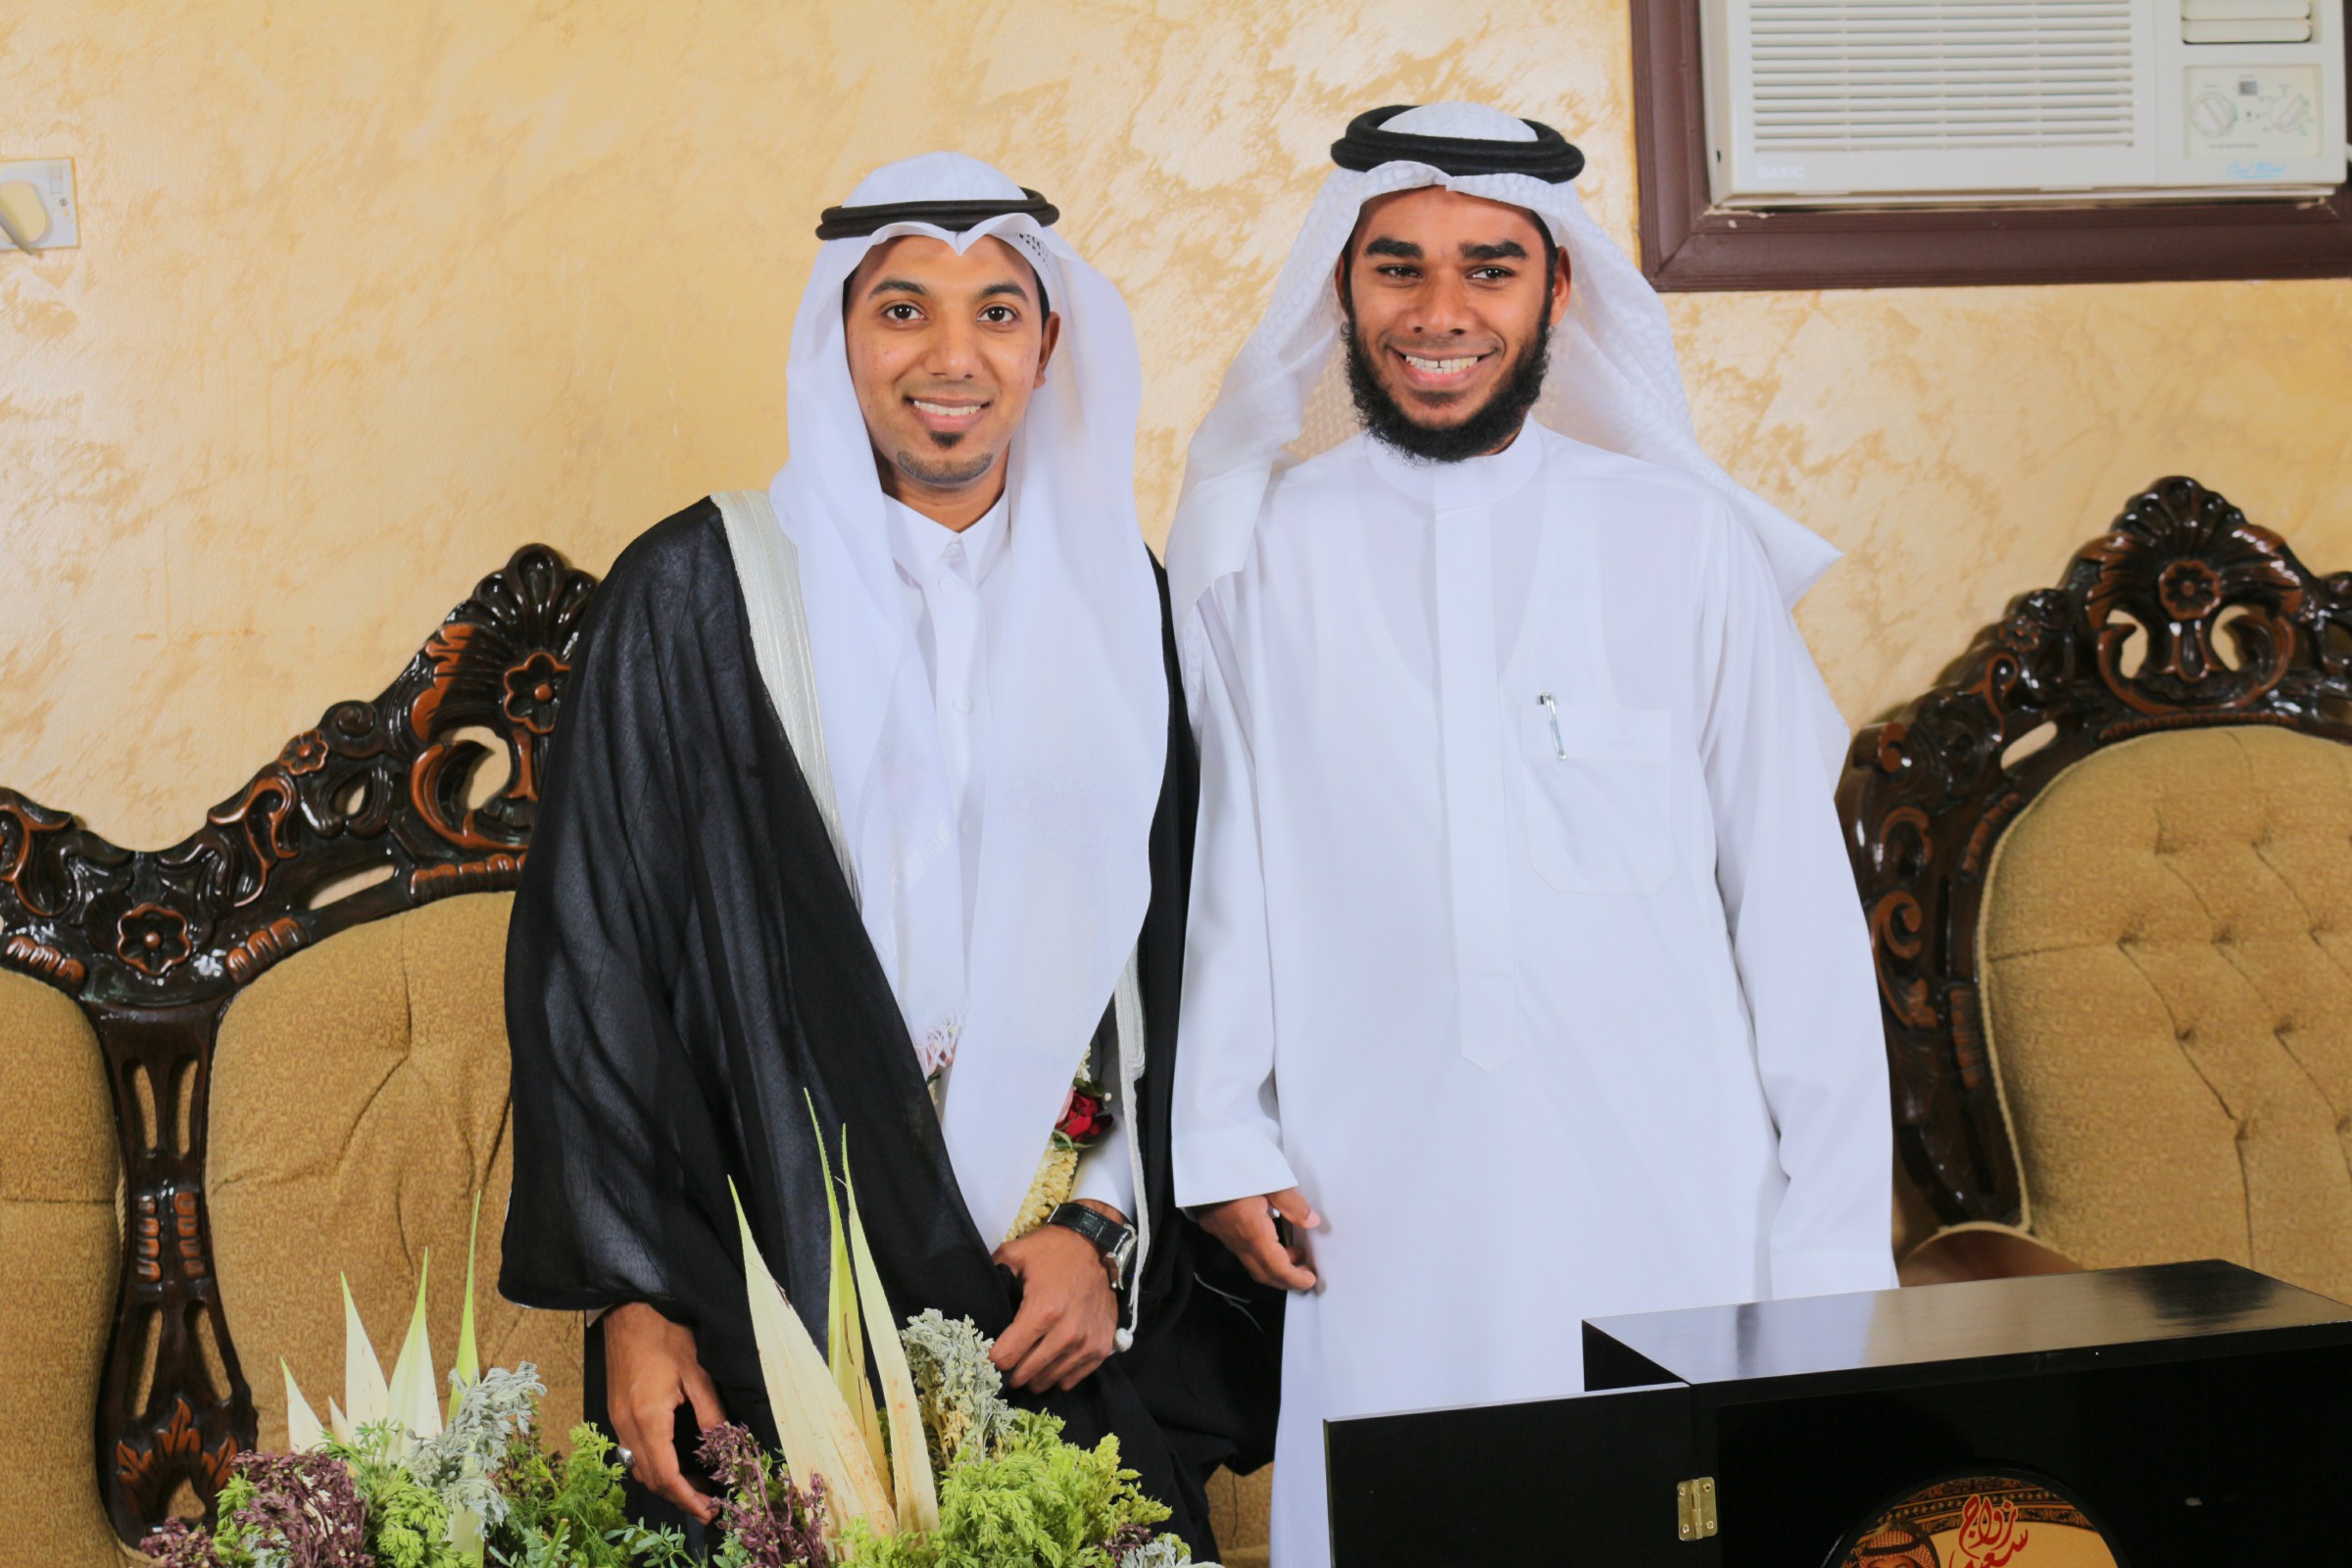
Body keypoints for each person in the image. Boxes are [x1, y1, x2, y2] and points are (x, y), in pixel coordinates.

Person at [500, 152, 1274, 1554]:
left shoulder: (1129, 609)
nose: (951, 357)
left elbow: (1175, 962)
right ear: (839, 337)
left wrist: (1104, 1233)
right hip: (777, 1315)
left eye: (997, 312)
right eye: (903, 308)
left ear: (1048, 346)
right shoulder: (698, 597)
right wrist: (635, 1304)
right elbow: (594, 960)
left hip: (1045, 1319)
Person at [1164, 102, 1896, 1564]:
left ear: (1559, 290)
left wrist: (1827, 1248)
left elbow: (1795, 914)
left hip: (1679, 1205)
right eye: (1398, 266)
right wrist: (1223, 1131)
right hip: (1376, 1203)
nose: (1440, 313)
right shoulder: (1262, 550)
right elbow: (1227, 865)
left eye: (1489, 268)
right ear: (1341, 288)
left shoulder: (1680, 540)